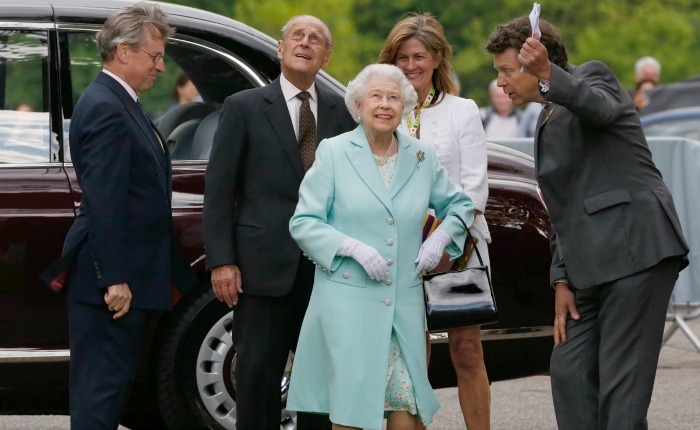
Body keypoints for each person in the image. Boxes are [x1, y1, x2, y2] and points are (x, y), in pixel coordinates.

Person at [486, 17, 689, 430]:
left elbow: (600, 108)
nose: (502, 83)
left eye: (507, 71)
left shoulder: (591, 77)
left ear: (538, 63)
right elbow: (560, 209)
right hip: (584, 272)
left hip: (636, 251)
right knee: (570, 373)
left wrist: (547, 75)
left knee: (622, 394)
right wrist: (561, 279)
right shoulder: (545, 118)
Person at [286, 63, 474, 430]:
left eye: (393, 98)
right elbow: (303, 222)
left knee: (406, 411)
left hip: (402, 309)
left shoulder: (421, 156)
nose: (385, 104)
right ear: (358, 105)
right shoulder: (334, 152)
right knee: (350, 416)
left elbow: (461, 206)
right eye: (376, 96)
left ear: (404, 107)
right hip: (347, 307)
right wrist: (350, 247)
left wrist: (441, 237)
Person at [41, 3, 197, 429]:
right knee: (99, 397)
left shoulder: (119, 102)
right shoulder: (107, 107)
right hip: (111, 287)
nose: (162, 68)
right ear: (124, 52)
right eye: (155, 55)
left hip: (128, 278)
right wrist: (114, 278)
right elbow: (106, 202)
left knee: (111, 394)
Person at [203, 15, 355, 430]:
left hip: (327, 271)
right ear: (280, 48)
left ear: (326, 56)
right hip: (260, 268)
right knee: (255, 377)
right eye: (297, 36)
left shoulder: (344, 113)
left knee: (319, 384)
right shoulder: (243, 107)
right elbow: (219, 191)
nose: (305, 42)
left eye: (316, 39)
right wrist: (222, 260)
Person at [378, 13, 492, 429]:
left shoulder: (462, 110)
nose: (410, 66)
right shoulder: (381, 110)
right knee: (412, 353)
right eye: (402, 57)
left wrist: (446, 242)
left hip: (457, 250)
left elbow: (474, 189)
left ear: (438, 57)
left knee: (466, 350)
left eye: (419, 56)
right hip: (397, 252)